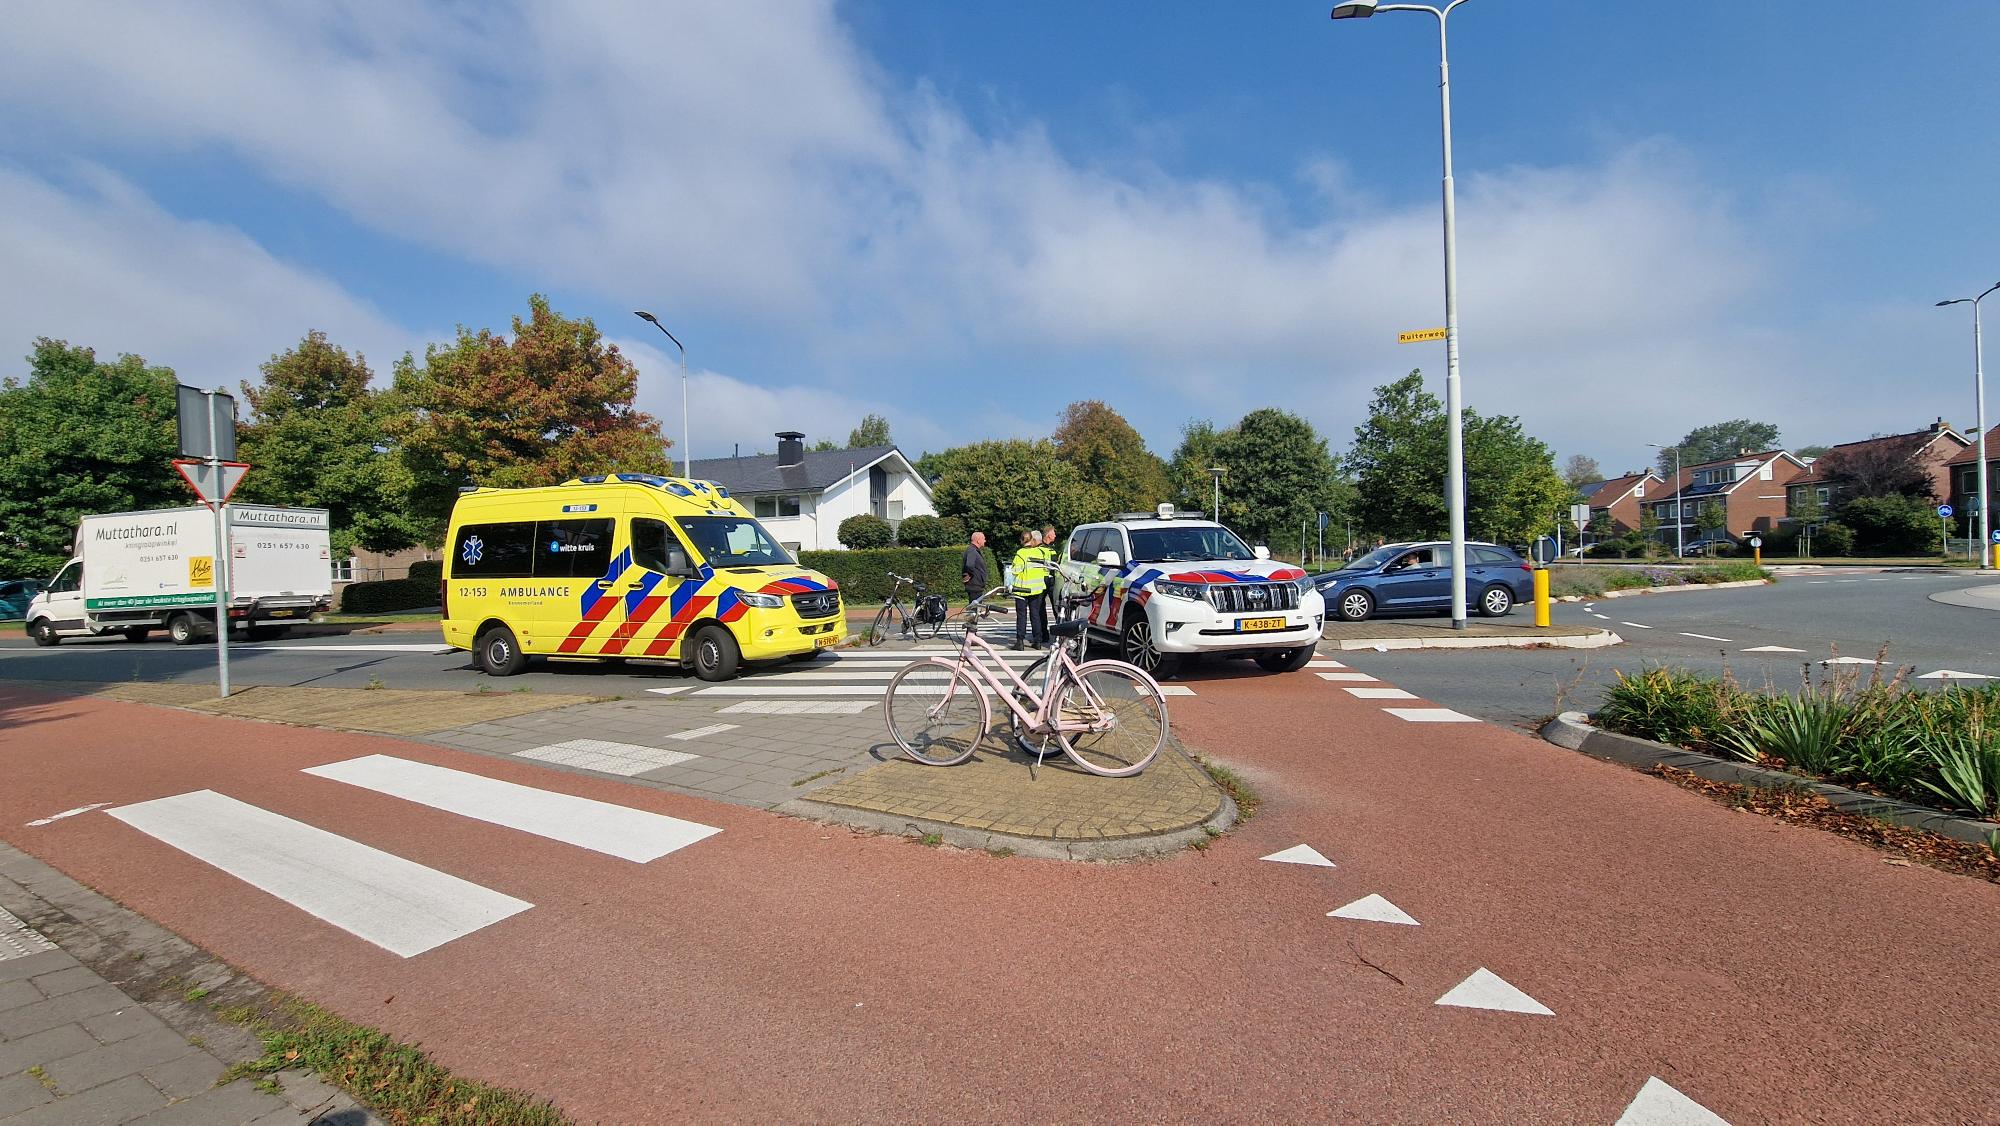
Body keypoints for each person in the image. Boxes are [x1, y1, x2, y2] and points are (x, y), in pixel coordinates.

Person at [1009, 528, 1049, 650]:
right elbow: (1044, 570)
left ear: (1022, 540)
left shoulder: (1020, 554)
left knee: (1022, 615)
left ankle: (1020, 642)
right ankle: (1038, 641)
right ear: (1032, 540)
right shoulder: (1039, 553)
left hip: (1022, 589)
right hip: (1036, 589)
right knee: (1035, 614)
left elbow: (1016, 570)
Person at [961, 530, 989, 607]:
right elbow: (969, 565)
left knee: (976, 609)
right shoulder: (972, 550)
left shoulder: (973, 550)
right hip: (974, 586)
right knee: (974, 610)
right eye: (983, 539)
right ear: (978, 540)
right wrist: (976, 576)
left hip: (976, 586)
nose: (985, 541)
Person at [1039, 525, 1061, 622]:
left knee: (1055, 605)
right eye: (1054, 533)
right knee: (1045, 607)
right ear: (1048, 535)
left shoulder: (1050, 549)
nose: (1055, 535)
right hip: (1043, 580)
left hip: (1050, 580)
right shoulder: (1040, 549)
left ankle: (1055, 627)